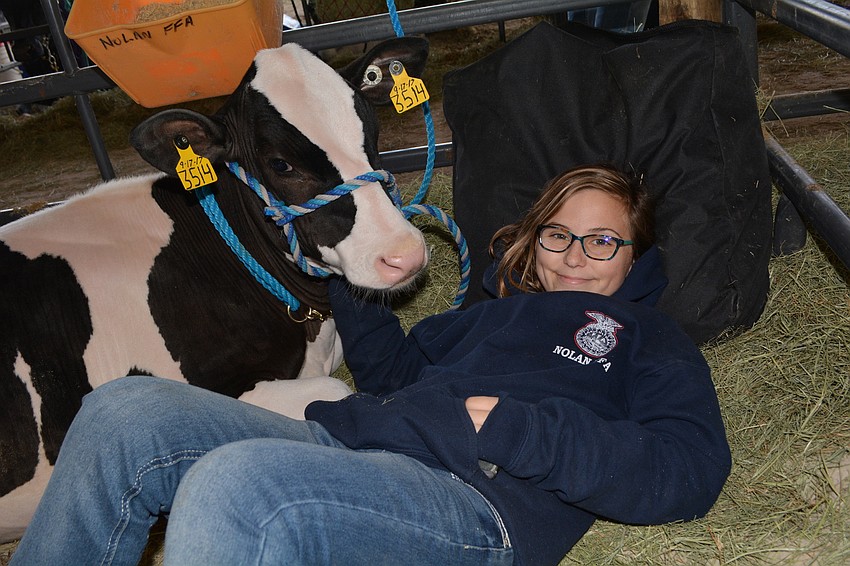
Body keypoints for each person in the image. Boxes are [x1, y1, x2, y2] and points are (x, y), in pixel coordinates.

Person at [10, 164, 731, 566]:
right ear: (534, 240)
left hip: (477, 502)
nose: (575, 255)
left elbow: (686, 474)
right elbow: (392, 377)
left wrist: (506, 427)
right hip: (357, 447)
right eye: (560, 235)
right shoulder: (478, 318)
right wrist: (346, 267)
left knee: (237, 485)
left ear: (636, 258)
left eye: (602, 242)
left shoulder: (648, 339)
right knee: (124, 410)